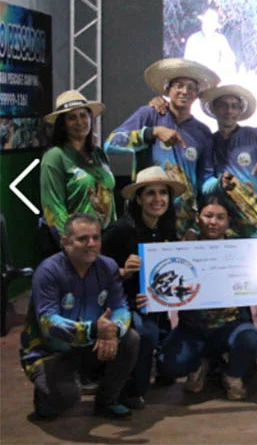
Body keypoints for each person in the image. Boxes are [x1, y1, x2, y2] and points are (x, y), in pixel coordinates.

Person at [20, 213, 140, 420]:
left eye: (96, 238)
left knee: (130, 338)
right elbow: (48, 322)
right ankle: (45, 396)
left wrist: (113, 331)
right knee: (66, 399)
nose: (91, 244)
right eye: (83, 239)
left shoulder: (108, 266)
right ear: (65, 242)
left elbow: (120, 307)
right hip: (50, 350)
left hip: (91, 345)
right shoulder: (48, 271)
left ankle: (106, 401)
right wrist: (92, 329)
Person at [154, 196, 257, 400]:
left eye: (220, 217)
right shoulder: (184, 247)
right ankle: (200, 363)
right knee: (167, 364)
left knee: (249, 339)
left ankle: (232, 376)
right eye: (208, 216)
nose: (213, 222)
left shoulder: (240, 249)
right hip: (193, 328)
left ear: (228, 221)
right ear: (198, 219)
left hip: (230, 325)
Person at [104, 58, 220, 237]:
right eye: (179, 85)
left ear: (197, 94)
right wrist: (152, 132)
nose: (184, 91)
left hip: (183, 224)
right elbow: (111, 143)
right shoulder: (150, 115)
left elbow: (204, 179)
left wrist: (195, 226)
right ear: (168, 90)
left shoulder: (202, 132)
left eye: (191, 87)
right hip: (145, 219)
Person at [101, 167, 185, 409]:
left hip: (158, 306)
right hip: (125, 304)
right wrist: (122, 271)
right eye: (150, 193)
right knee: (145, 333)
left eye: (163, 193)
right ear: (138, 198)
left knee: (171, 362)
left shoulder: (167, 229)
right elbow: (98, 274)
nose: (157, 199)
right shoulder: (120, 230)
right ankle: (132, 391)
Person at [199, 84, 257, 238]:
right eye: (223, 105)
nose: (229, 111)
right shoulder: (209, 142)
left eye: (234, 106)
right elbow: (204, 185)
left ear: (241, 110)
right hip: (227, 233)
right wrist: (219, 184)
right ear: (213, 108)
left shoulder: (256, 136)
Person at [40, 91, 114, 237]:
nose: (79, 122)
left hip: (106, 239)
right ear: (62, 124)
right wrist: (69, 242)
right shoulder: (55, 157)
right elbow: (54, 208)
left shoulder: (99, 154)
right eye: (72, 118)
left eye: (83, 115)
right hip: (78, 244)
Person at [183, 8, 237, 79]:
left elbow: (230, 59)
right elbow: (187, 63)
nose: (207, 25)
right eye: (205, 23)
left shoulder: (220, 39)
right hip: (197, 79)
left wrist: (221, 70)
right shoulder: (193, 39)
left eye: (210, 24)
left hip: (215, 79)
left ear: (215, 26)